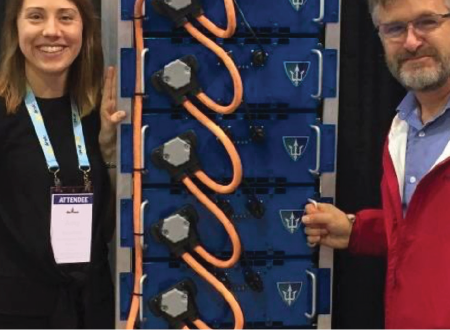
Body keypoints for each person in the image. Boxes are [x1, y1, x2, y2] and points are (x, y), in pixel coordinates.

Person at [303, 0, 450, 328]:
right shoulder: (403, 127)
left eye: (427, 22)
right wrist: (357, 230)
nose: (411, 42)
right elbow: (426, 235)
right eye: (395, 28)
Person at [0, 0, 126, 328]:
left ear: (85, 29)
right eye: (36, 17)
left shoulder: (99, 110)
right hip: (17, 311)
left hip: (93, 307)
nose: (52, 31)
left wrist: (110, 152)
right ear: (16, 28)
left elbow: (110, 227)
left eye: (66, 17)